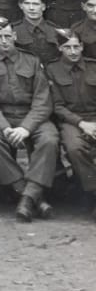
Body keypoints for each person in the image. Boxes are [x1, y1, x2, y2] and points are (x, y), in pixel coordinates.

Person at [0, 17, 58, 221]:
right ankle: (29, 195)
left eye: (7, 36)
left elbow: (43, 101)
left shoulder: (31, 60)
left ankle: (28, 196)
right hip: (1, 116)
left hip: (31, 116)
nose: (4, 40)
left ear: (14, 36)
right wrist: (5, 128)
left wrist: (26, 128)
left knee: (49, 139)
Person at [47, 31, 96, 216]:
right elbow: (57, 107)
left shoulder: (93, 67)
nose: (73, 51)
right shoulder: (52, 70)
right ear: (60, 48)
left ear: (82, 46)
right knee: (75, 147)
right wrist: (82, 123)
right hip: (71, 120)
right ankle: (93, 193)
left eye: (76, 46)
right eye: (67, 47)